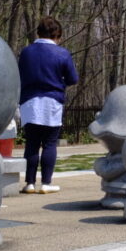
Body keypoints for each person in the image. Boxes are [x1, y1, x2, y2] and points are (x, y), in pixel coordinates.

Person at [18, 16, 79, 194]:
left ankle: (29, 183)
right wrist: (59, 81)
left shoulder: (26, 52)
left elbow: (19, 75)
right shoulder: (62, 53)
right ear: (57, 35)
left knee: (31, 143)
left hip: (29, 101)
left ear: (38, 33)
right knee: (50, 143)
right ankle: (46, 183)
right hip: (52, 101)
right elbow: (73, 79)